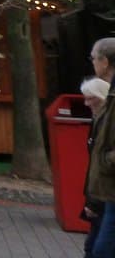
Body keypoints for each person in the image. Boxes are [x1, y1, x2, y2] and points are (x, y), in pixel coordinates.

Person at [87, 38, 115, 258]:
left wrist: (105, 160)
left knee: (101, 252)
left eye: (94, 58)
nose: (93, 62)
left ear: (105, 61)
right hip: (107, 192)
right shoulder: (111, 94)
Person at [83, 76, 110, 258]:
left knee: (98, 248)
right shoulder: (97, 121)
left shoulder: (106, 124)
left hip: (105, 195)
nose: (86, 103)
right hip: (98, 194)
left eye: (91, 98)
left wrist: (94, 202)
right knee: (92, 245)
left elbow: (100, 164)